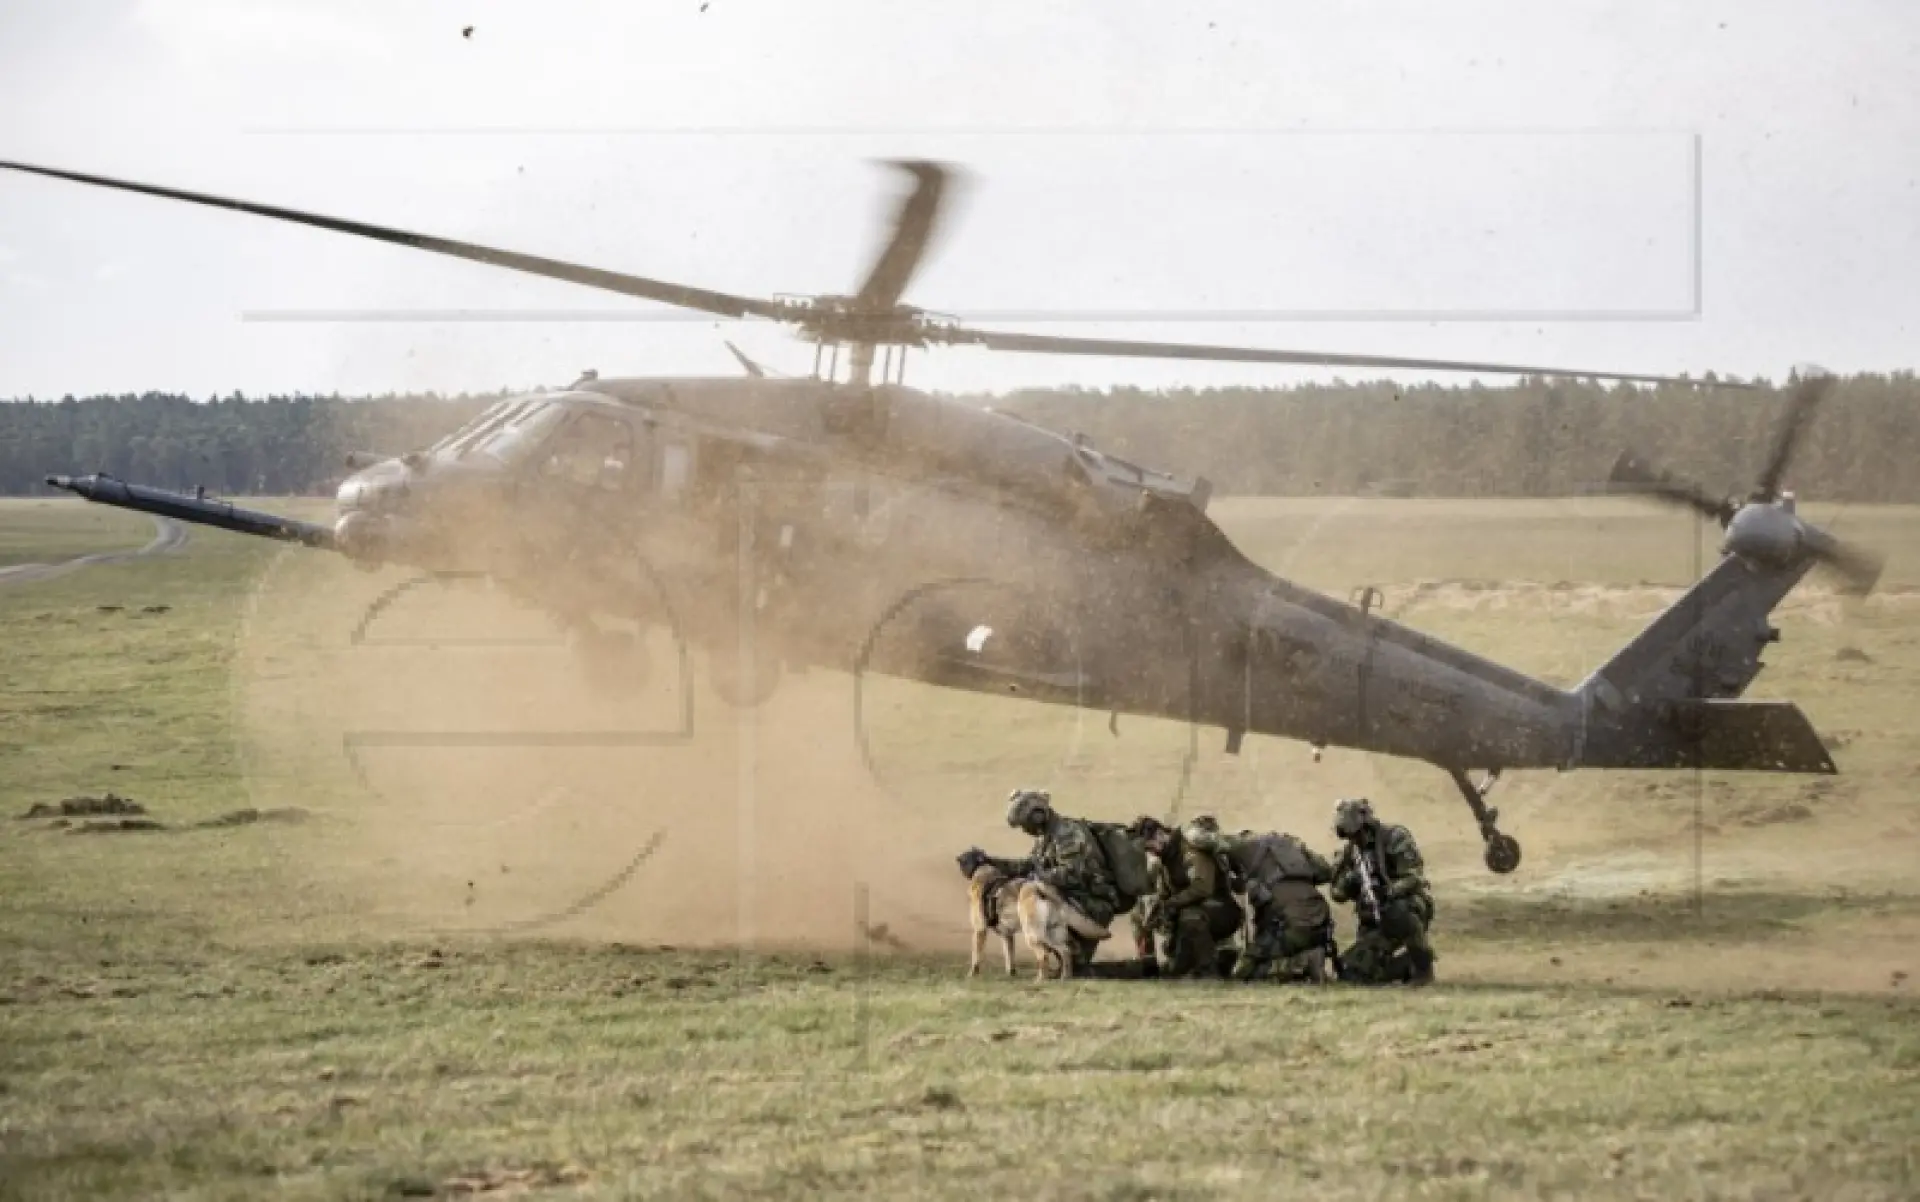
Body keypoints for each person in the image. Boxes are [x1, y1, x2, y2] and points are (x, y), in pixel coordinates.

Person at [981, 788, 1129, 976]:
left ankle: (1139, 969)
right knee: (1068, 965)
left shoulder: (1068, 834)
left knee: (1077, 970)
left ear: (1037, 816)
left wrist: (1037, 877)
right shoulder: (1047, 836)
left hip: (1091, 902)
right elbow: (1029, 865)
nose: (1025, 830)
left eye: (1025, 824)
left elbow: (1073, 874)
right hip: (1072, 900)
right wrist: (990, 861)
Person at [1327, 797, 1436, 986]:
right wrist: (1351, 879)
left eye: (1357, 834)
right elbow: (1337, 893)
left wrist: (1390, 891)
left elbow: (1414, 877)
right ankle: (1404, 966)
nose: (1354, 840)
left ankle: (1422, 967)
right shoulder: (1350, 853)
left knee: (1399, 910)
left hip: (1406, 908)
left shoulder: (1394, 837)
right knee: (1352, 973)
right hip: (1374, 921)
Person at [1220, 827, 1336, 983]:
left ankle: (1301, 963)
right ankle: (1311, 958)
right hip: (1319, 923)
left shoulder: (1248, 847)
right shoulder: (1293, 850)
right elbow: (1327, 873)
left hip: (1287, 925)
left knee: (1247, 973)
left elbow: (1211, 840)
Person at [1134, 815, 1244, 978]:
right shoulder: (1166, 859)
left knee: (1190, 917)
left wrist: (1171, 904)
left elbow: (1202, 888)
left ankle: (1209, 971)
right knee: (1176, 969)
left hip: (1221, 910)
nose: (1151, 853)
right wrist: (1158, 909)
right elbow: (1166, 892)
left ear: (1160, 834)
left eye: (1150, 847)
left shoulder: (1191, 850)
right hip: (1195, 911)